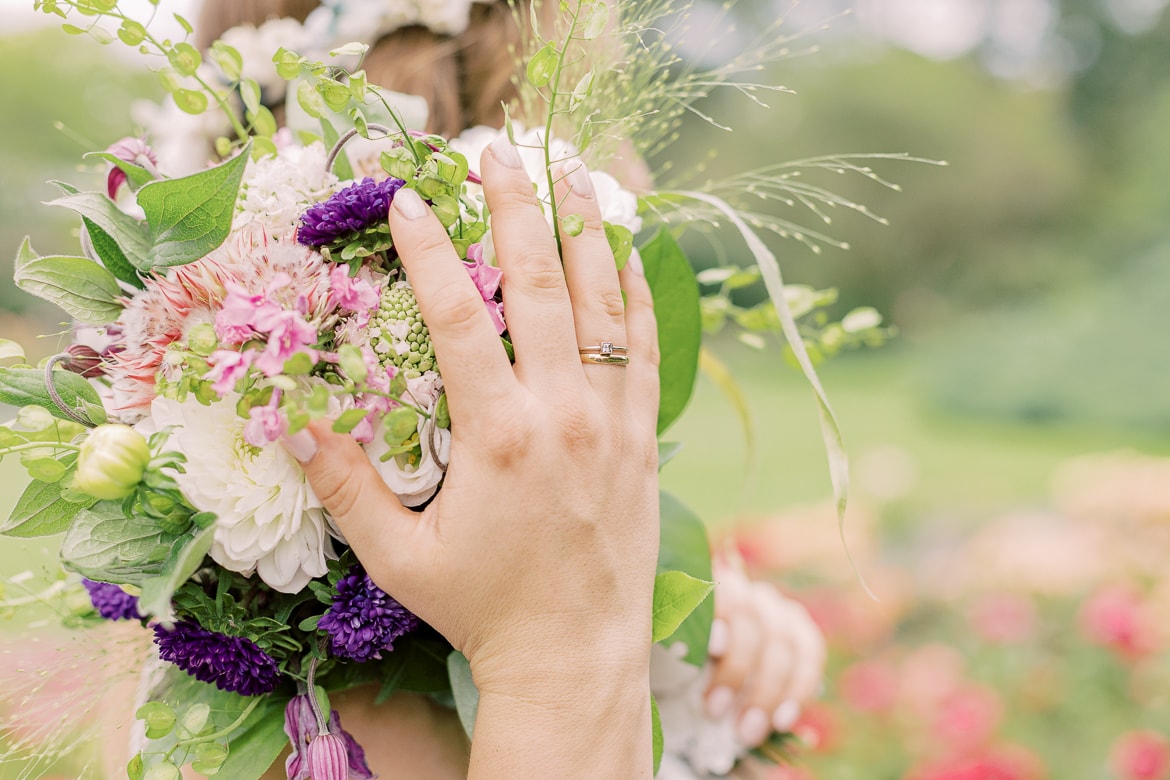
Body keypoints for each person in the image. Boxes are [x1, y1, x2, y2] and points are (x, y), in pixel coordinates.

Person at [104, 1, 828, 776]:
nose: (639, 174)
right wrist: (565, 653)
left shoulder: (188, 619)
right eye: (604, 101)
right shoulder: (345, 727)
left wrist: (691, 630)